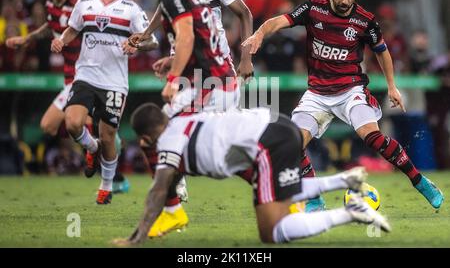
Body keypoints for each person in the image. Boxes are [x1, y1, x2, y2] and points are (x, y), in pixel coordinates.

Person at [242, 0, 444, 211]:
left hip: (351, 90)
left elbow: (382, 52)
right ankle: (315, 198)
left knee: (373, 137)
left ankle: (420, 182)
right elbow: (278, 21)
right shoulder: (313, 8)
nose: (346, 0)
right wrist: (260, 34)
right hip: (317, 94)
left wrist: (392, 86)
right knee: (293, 145)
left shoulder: (364, 20)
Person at [112, 103, 390, 246]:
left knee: (271, 232)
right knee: (281, 196)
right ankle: (343, 179)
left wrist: (137, 237)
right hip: (277, 126)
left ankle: (350, 213)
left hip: (266, 143)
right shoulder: (183, 120)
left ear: (146, 138)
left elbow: (159, 188)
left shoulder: (169, 140)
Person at [127, 0, 252, 237]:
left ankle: (287, 175)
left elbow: (196, 32)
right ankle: (175, 195)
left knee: (218, 141)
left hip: (209, 74)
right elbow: (174, 14)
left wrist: (246, 57)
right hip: (194, 68)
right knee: (172, 132)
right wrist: (151, 37)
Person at [50, 0, 157, 204]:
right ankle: (92, 148)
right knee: (73, 123)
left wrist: (136, 44)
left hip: (114, 83)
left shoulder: (131, 9)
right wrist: (61, 40)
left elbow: (152, 41)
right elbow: (73, 28)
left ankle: (106, 186)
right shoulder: (85, 4)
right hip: (86, 75)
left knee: (108, 135)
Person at [6, 0, 80, 137]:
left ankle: (103, 149)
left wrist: (63, 39)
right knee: (60, 127)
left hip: (83, 76)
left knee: (51, 125)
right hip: (69, 76)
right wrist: (27, 38)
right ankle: (103, 146)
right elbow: (51, 24)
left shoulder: (79, 7)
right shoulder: (49, 4)